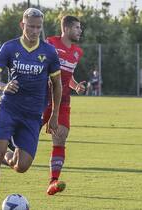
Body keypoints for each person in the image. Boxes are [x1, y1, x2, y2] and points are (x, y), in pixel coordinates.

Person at [0, 8, 62, 210]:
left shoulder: (49, 52)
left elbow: (57, 85)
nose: (34, 31)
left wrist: (54, 114)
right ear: (22, 25)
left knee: (21, 166)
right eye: (31, 26)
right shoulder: (9, 48)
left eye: (38, 27)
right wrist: (2, 86)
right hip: (8, 108)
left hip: (33, 114)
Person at [42, 15, 84, 195]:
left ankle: (53, 181)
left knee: (61, 135)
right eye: (77, 27)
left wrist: (76, 86)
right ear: (66, 29)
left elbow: (68, 76)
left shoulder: (77, 52)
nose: (80, 31)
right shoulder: (50, 43)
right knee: (25, 137)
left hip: (63, 100)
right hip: (42, 98)